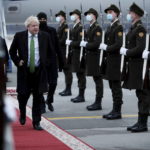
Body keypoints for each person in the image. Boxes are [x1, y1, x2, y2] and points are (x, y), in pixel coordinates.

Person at [9, 16, 56, 130]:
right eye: (34, 25)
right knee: (23, 95)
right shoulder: (19, 36)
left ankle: (36, 122)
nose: (36, 27)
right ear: (28, 27)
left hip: (39, 71)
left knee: (38, 97)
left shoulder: (45, 36)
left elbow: (51, 52)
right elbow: (12, 51)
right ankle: (23, 113)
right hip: (24, 71)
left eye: (37, 25)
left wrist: (46, 64)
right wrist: (17, 61)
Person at [120, 3, 150, 132]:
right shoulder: (133, 27)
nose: (129, 15)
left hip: (139, 65)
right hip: (133, 65)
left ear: (136, 14)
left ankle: (143, 124)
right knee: (140, 93)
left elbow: (140, 47)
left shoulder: (140, 29)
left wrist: (126, 52)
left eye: (130, 13)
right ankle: (140, 122)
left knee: (143, 94)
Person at [99, 5, 123, 119]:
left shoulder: (118, 27)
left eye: (111, 12)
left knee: (116, 86)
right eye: (108, 12)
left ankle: (117, 111)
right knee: (112, 86)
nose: (109, 14)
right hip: (109, 61)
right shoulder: (110, 26)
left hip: (115, 61)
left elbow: (118, 44)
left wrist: (107, 48)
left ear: (116, 13)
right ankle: (114, 109)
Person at [37, 12, 63, 113]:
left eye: (44, 19)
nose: (42, 21)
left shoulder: (52, 31)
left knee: (53, 83)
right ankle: (42, 103)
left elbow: (58, 47)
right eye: (40, 19)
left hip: (52, 61)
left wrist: (61, 62)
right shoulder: (36, 31)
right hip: (41, 61)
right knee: (41, 84)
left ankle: (49, 100)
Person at [80, 8, 103, 110]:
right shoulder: (90, 27)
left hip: (95, 57)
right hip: (91, 57)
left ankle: (98, 102)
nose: (88, 16)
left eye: (89, 14)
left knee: (98, 80)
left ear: (94, 15)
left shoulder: (97, 28)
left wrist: (86, 44)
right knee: (96, 80)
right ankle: (97, 102)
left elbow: (96, 43)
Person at [66, 9, 86, 103]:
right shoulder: (74, 27)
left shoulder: (80, 27)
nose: (72, 16)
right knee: (78, 75)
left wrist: (71, 43)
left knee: (81, 75)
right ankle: (79, 94)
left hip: (79, 54)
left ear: (78, 16)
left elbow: (80, 42)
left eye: (73, 14)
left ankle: (81, 95)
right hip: (74, 54)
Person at [55, 10, 73, 97]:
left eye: (59, 16)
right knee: (66, 71)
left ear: (63, 17)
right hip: (61, 51)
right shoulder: (60, 26)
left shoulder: (65, 26)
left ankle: (68, 89)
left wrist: (56, 43)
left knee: (67, 70)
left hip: (65, 51)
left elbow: (64, 39)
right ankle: (66, 88)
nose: (58, 17)